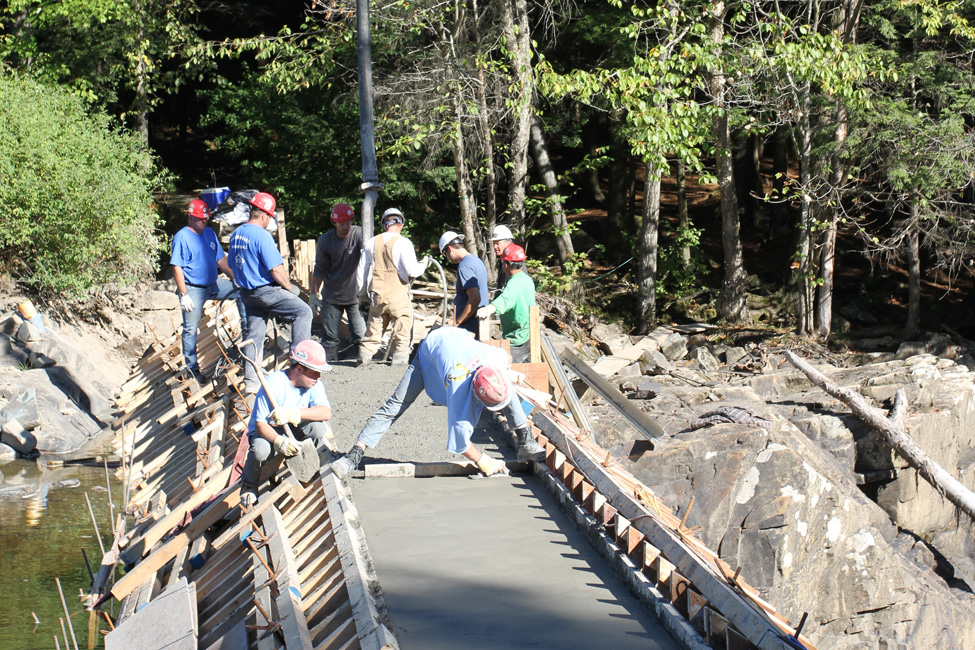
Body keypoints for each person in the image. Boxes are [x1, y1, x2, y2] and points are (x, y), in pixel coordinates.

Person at [330, 326, 545, 478]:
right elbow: (461, 445)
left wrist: (506, 374)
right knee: (396, 404)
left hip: (456, 337)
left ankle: (525, 440)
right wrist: (485, 462)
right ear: (475, 395)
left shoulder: (495, 360)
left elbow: (506, 358)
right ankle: (354, 454)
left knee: (506, 388)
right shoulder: (459, 393)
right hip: (429, 352)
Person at [228, 192, 313, 393]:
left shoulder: (237, 234)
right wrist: (290, 288)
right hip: (265, 291)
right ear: (264, 215)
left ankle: (251, 381)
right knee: (303, 312)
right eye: (270, 218)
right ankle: (298, 368)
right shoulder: (261, 236)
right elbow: (276, 269)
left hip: (247, 293)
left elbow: (232, 264)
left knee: (254, 335)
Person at [240, 340, 333, 508]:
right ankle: (249, 486)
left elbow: (326, 412)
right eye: (314, 372)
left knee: (318, 428)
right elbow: (260, 426)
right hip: (268, 432)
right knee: (260, 450)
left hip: (293, 428)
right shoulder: (274, 384)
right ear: (299, 369)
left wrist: (294, 413)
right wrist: (279, 441)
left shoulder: (314, 384)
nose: (318, 377)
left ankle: (309, 469)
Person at [171, 199, 247, 381]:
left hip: (213, 284)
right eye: (200, 218)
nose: (204, 221)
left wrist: (234, 279)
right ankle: (192, 369)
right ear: (191, 217)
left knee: (241, 293)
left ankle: (247, 338)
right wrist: (183, 294)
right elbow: (177, 267)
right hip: (193, 288)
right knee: (190, 328)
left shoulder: (209, 234)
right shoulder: (182, 237)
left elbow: (221, 260)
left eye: (206, 218)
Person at [356, 208, 430, 366]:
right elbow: (412, 271)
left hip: (377, 296)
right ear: (401, 224)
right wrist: (423, 264)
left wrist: (362, 295)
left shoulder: (371, 242)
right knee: (402, 328)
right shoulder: (404, 243)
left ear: (384, 225)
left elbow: (361, 271)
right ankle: (399, 361)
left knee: (373, 329)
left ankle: (364, 356)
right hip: (398, 296)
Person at [309, 203, 366, 363]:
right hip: (332, 296)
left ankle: (362, 365)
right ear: (334, 222)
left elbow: (370, 257)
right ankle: (331, 365)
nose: (345, 227)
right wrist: (313, 294)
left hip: (355, 296)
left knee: (360, 334)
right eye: (341, 224)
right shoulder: (326, 240)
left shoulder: (359, 234)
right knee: (330, 337)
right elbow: (320, 269)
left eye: (348, 223)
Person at [477, 244, 536, 363]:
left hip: (517, 339)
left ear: (505, 264)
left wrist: (489, 308)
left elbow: (505, 300)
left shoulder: (514, 283)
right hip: (529, 333)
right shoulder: (526, 279)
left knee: (501, 367)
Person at [439, 231, 488, 339]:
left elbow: (475, 298)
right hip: (479, 324)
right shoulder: (476, 261)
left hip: (468, 328)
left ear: (449, 249)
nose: (448, 258)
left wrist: (457, 322)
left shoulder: (464, 266)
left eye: (445, 254)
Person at [489, 224, 514, 292]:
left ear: (508, 243)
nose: (495, 247)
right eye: (494, 244)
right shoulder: (502, 261)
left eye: (497, 244)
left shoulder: (515, 262)